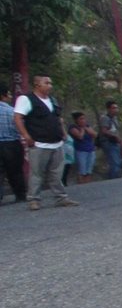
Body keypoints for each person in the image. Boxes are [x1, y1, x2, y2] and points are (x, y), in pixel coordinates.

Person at [13, 75, 78, 210]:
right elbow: (18, 117)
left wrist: (64, 133)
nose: (50, 85)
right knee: (37, 173)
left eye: (51, 83)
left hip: (56, 142)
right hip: (39, 143)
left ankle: (61, 197)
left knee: (56, 172)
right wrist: (26, 135)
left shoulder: (52, 100)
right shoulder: (26, 99)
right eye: (46, 83)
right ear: (37, 84)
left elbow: (58, 119)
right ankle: (34, 199)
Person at [0, 84, 26, 203]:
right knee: (15, 171)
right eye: (9, 94)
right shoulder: (12, 111)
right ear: (3, 96)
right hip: (12, 144)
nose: (10, 97)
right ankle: (20, 195)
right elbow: (19, 128)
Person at [67, 111, 97, 183]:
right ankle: (81, 184)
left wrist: (86, 128)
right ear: (76, 120)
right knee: (82, 170)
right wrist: (82, 129)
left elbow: (95, 135)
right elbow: (80, 137)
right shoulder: (73, 127)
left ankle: (88, 183)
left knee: (89, 170)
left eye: (84, 118)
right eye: (81, 119)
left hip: (90, 150)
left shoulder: (87, 126)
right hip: (80, 151)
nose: (83, 120)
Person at [97, 101, 122, 179]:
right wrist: (114, 136)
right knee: (114, 162)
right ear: (108, 109)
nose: (116, 109)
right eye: (113, 108)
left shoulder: (115, 118)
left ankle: (116, 178)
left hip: (115, 142)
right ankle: (113, 179)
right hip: (108, 142)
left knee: (117, 162)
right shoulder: (105, 118)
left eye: (116, 108)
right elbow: (104, 130)